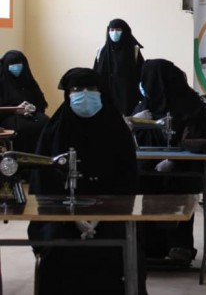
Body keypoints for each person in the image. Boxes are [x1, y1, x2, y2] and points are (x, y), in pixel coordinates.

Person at [28, 68, 145, 295]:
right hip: (60, 211)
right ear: (67, 94)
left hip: (112, 210)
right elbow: (43, 180)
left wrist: (101, 216)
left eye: (91, 88)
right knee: (55, 246)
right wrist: (71, 216)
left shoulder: (117, 131)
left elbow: (127, 179)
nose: (84, 94)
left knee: (125, 245)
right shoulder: (54, 131)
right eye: (77, 89)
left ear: (101, 92)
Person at [132, 59, 206, 264]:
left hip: (183, 171)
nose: (143, 85)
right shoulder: (144, 105)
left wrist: (175, 161)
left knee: (179, 203)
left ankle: (181, 246)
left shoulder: (192, 107)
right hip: (148, 170)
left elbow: (199, 139)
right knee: (146, 204)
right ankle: (151, 249)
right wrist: (134, 122)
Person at [0, 50, 50, 154]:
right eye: (12, 64)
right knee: (23, 129)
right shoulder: (2, 82)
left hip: (31, 115)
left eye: (19, 63)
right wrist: (15, 110)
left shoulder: (27, 80)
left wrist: (34, 107)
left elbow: (41, 102)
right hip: (8, 116)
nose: (16, 67)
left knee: (47, 123)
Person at [93, 18, 144, 115]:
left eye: (118, 30)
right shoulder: (101, 51)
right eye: (112, 30)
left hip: (127, 99)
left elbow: (141, 75)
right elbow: (95, 75)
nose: (114, 33)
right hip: (105, 99)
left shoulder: (134, 51)